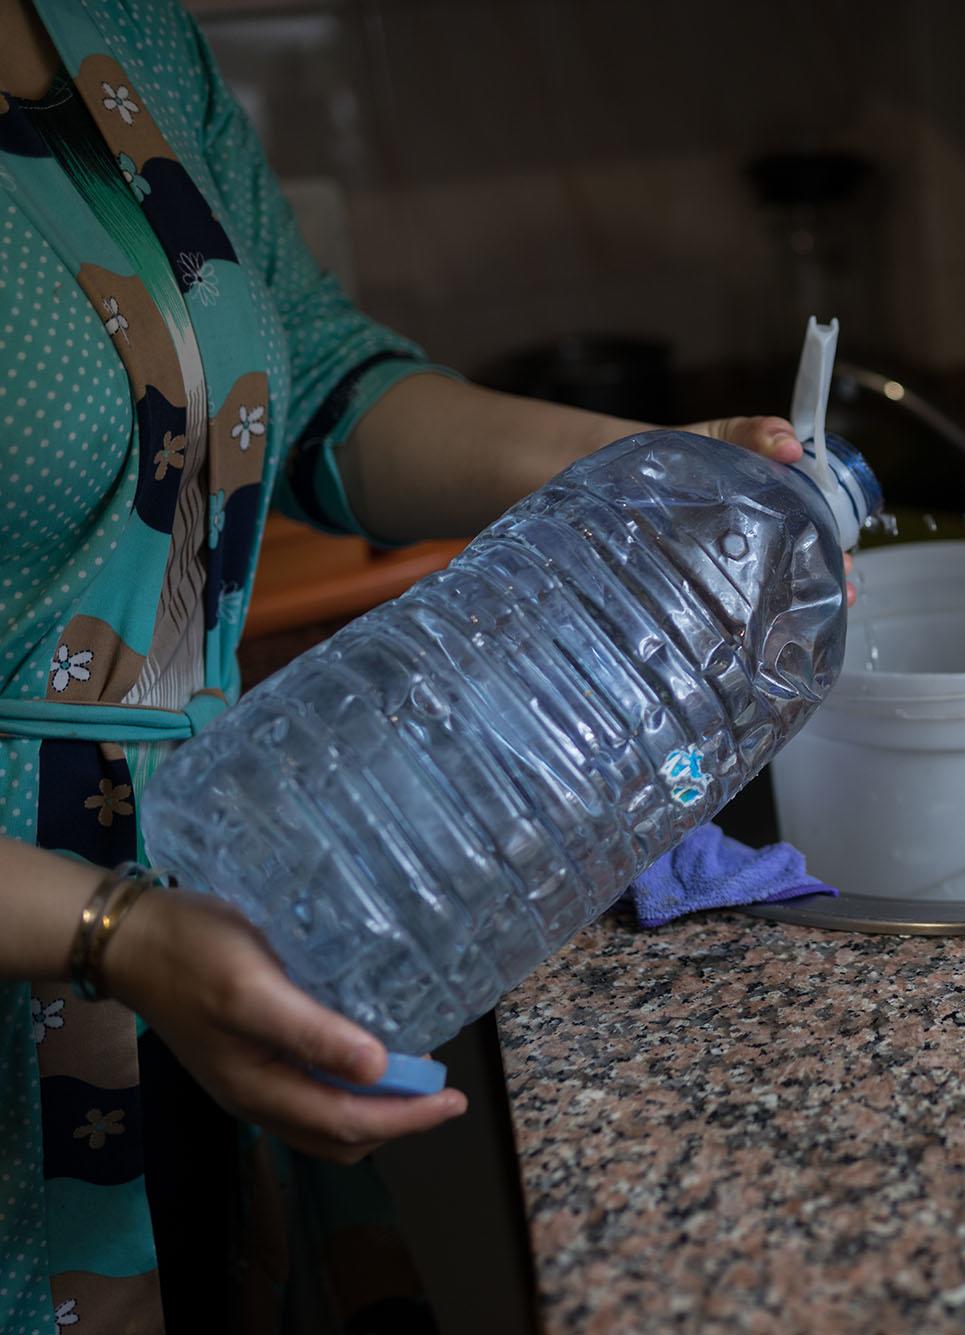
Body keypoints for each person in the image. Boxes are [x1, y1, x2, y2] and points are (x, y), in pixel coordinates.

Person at [0, 0, 812, 1328]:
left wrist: (652, 469)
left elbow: (318, 388)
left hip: (212, 906)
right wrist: (110, 933)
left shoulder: (119, 28)